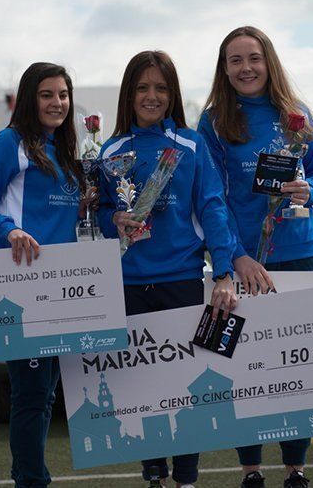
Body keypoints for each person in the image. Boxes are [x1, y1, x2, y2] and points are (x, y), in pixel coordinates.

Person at [96, 50, 238, 488]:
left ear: (173, 94)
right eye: (143, 88)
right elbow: (101, 212)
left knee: (184, 387)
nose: (152, 96)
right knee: (141, 389)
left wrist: (224, 270)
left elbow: (212, 208)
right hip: (128, 283)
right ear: (129, 94)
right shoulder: (111, 150)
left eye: (161, 88)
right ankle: (153, 473)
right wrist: (112, 220)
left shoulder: (191, 145)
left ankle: (187, 479)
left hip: (180, 280)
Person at [198, 26, 313, 488]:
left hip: (300, 254)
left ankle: (296, 468)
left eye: (253, 58)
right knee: (243, 365)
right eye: (235, 60)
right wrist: (235, 258)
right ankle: (251, 469)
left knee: (300, 364)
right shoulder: (214, 121)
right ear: (224, 68)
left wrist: (308, 190)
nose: (245, 68)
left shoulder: (297, 115)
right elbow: (210, 197)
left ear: (268, 61)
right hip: (245, 262)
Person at [0, 62, 88, 488]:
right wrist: (9, 229)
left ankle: (27, 477)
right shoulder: (8, 143)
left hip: (65, 291)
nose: (57, 103)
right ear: (30, 98)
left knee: (46, 395)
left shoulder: (67, 149)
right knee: (32, 398)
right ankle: (31, 481)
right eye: (47, 94)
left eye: (64, 95)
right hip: (23, 290)